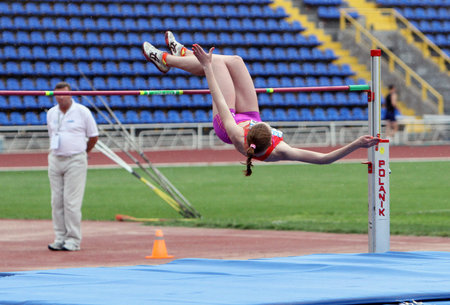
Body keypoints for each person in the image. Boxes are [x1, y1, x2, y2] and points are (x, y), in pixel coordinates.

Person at [143, 32, 380, 176]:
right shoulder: (275, 142)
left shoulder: (237, 133)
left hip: (226, 122)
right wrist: (358, 143)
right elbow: (323, 159)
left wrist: (206, 66)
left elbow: (217, 96)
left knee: (215, 64)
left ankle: (166, 60)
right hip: (248, 115)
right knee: (236, 61)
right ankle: (183, 54)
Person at [46, 81, 99, 251]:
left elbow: (93, 136)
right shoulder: (51, 113)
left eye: (64, 94)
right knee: (57, 201)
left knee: (71, 202)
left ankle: (73, 239)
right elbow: (51, 134)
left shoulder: (82, 112)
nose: (61, 97)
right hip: (55, 158)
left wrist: (83, 152)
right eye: (58, 94)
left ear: (71, 94)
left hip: (75, 159)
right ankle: (60, 237)